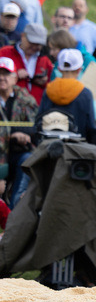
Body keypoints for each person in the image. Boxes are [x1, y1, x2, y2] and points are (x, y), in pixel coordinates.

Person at [36, 48, 96, 145]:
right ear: (79, 69)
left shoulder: (49, 90)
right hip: (77, 147)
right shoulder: (85, 93)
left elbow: (40, 119)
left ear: (59, 69)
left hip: (51, 145)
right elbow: (91, 127)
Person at [0, 57, 37, 199]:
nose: (1, 78)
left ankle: (16, 205)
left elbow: (36, 127)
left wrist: (23, 135)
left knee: (28, 160)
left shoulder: (26, 100)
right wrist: (12, 135)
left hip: (18, 152)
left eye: (6, 74)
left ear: (15, 78)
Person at [0, 24, 53, 104]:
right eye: (32, 42)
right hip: (9, 105)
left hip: (37, 106)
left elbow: (52, 85)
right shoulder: (5, 53)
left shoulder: (45, 60)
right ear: (23, 36)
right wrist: (13, 75)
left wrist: (45, 81)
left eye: (38, 44)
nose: (34, 47)